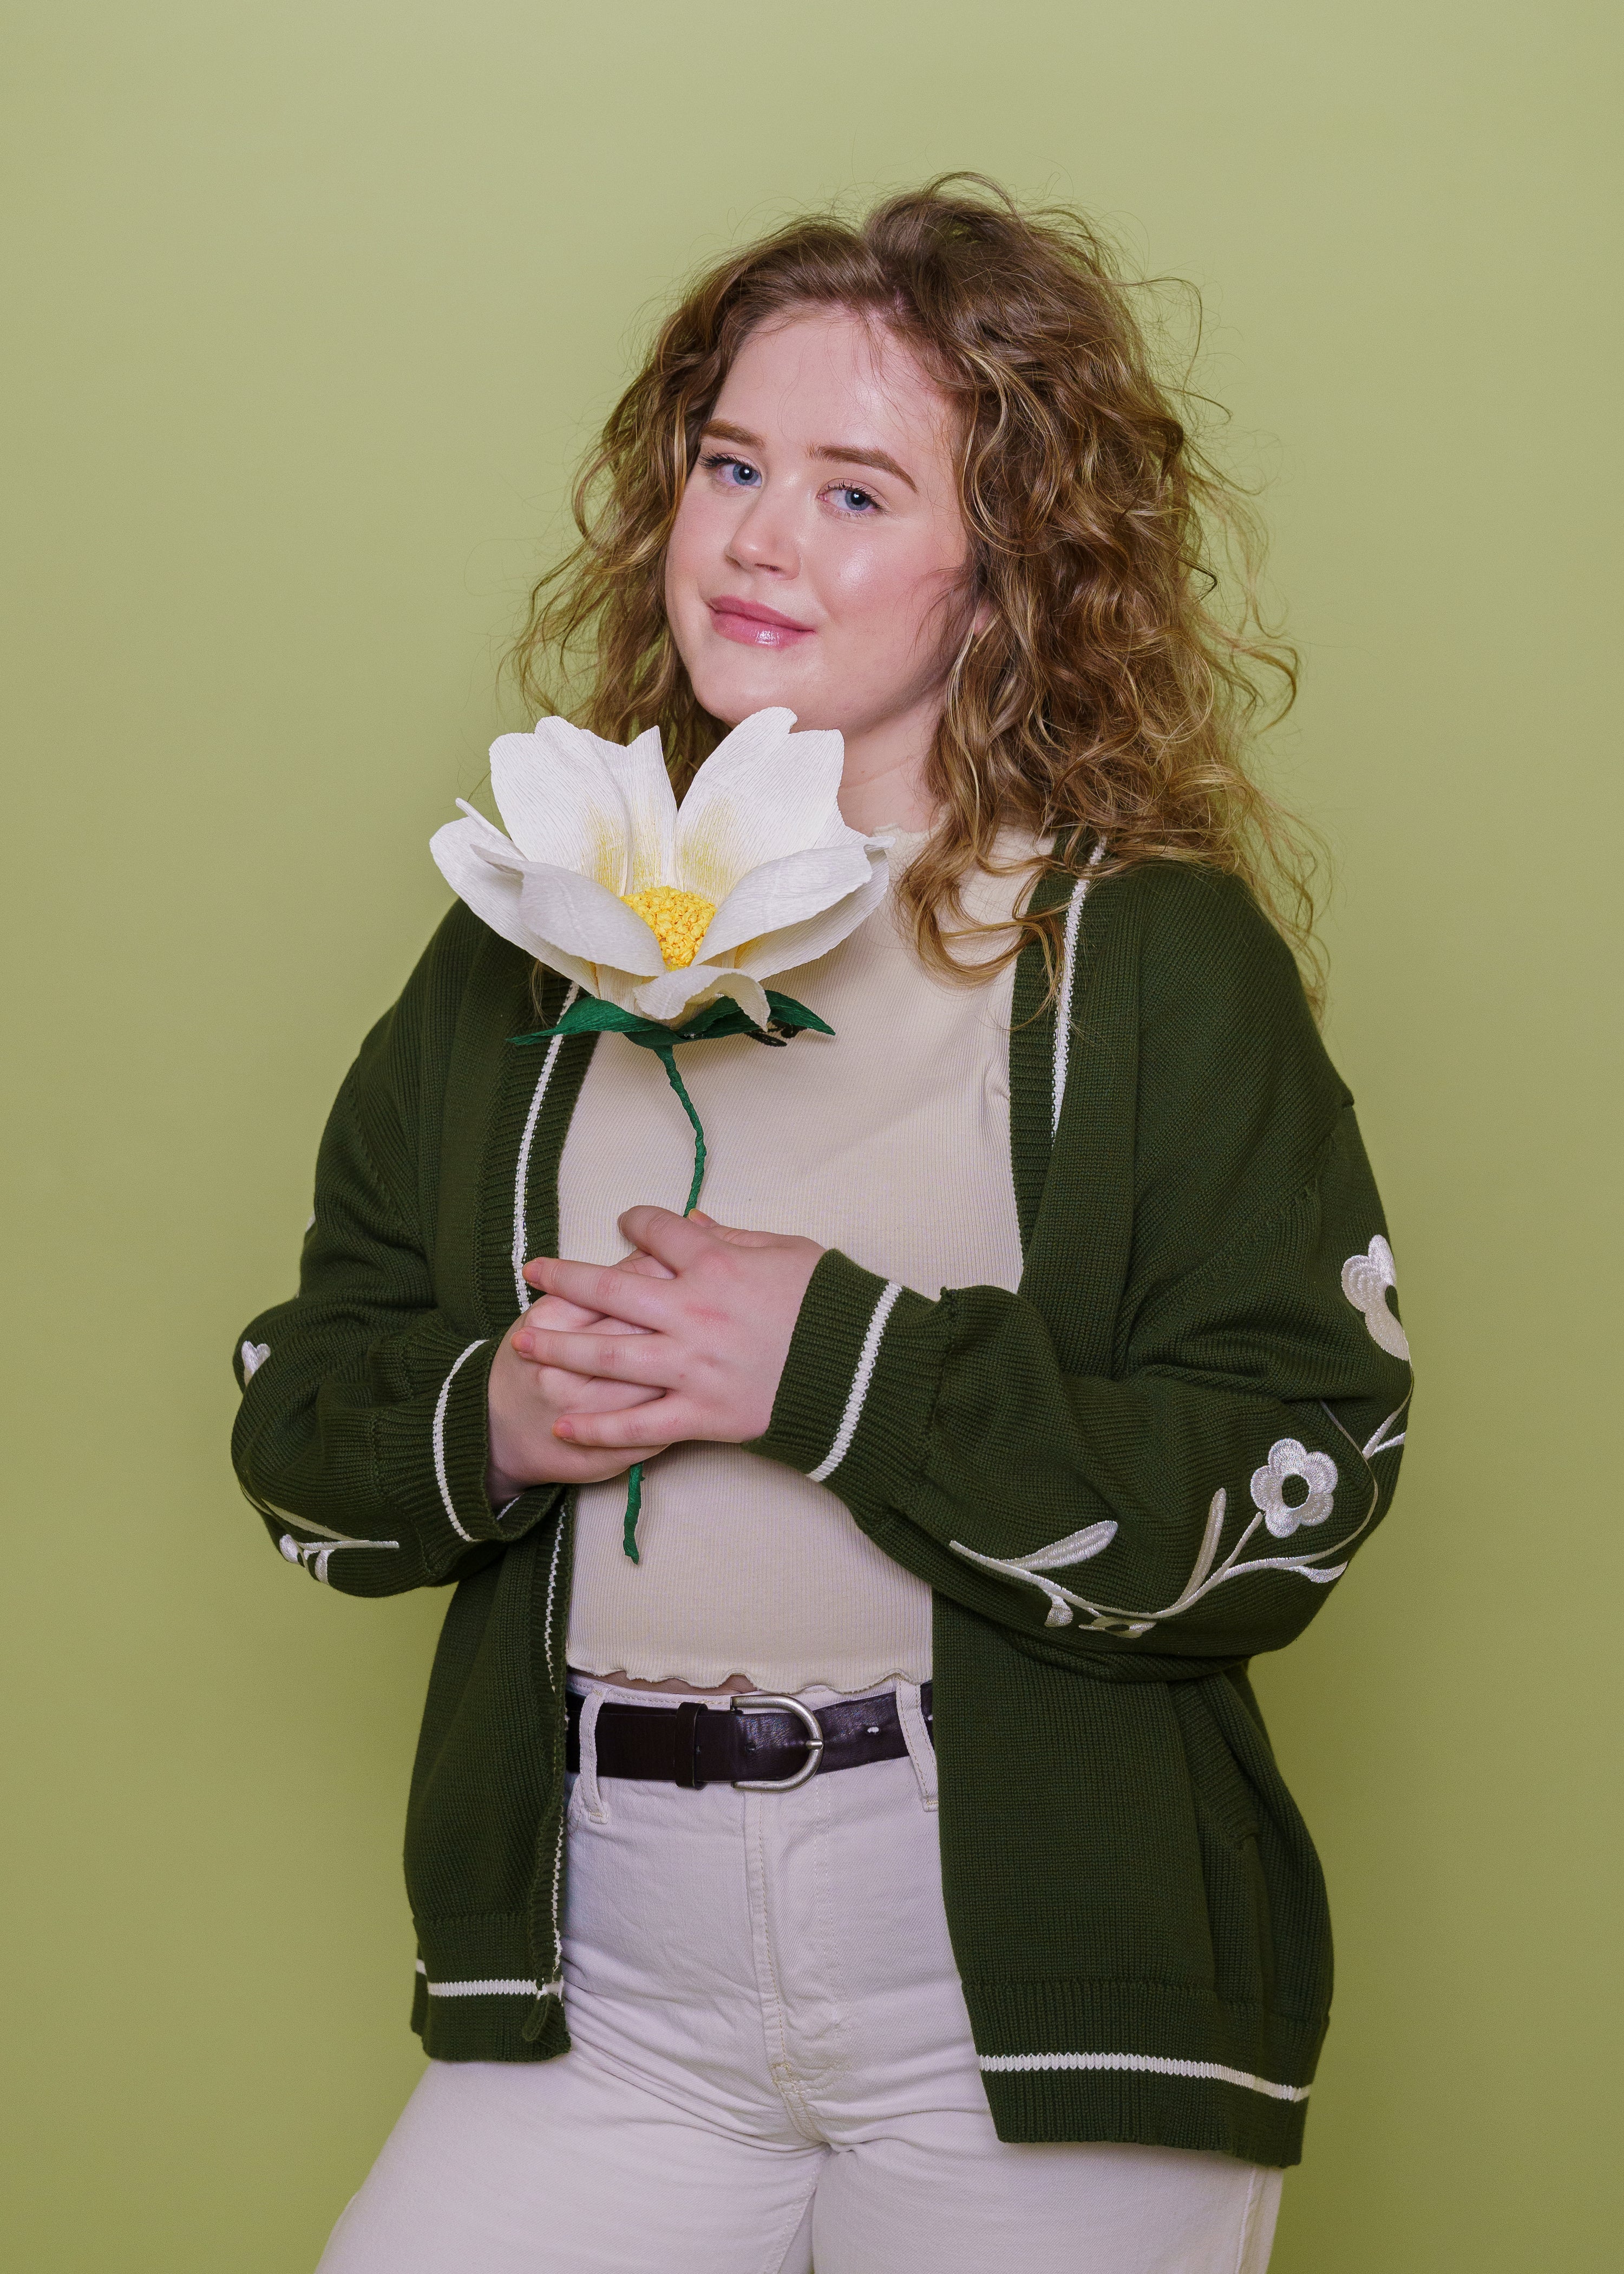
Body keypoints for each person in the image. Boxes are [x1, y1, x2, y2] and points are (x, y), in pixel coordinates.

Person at [232, 178, 1412, 2274]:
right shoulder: (523, 931)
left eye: (858, 491)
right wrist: (491, 1414)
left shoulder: (1139, 961)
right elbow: (305, 1401)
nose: (761, 537)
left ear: (1010, 569)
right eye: (732, 464)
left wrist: (832, 1365)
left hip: (1018, 2002)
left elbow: (1298, 1481)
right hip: (606, 1994)